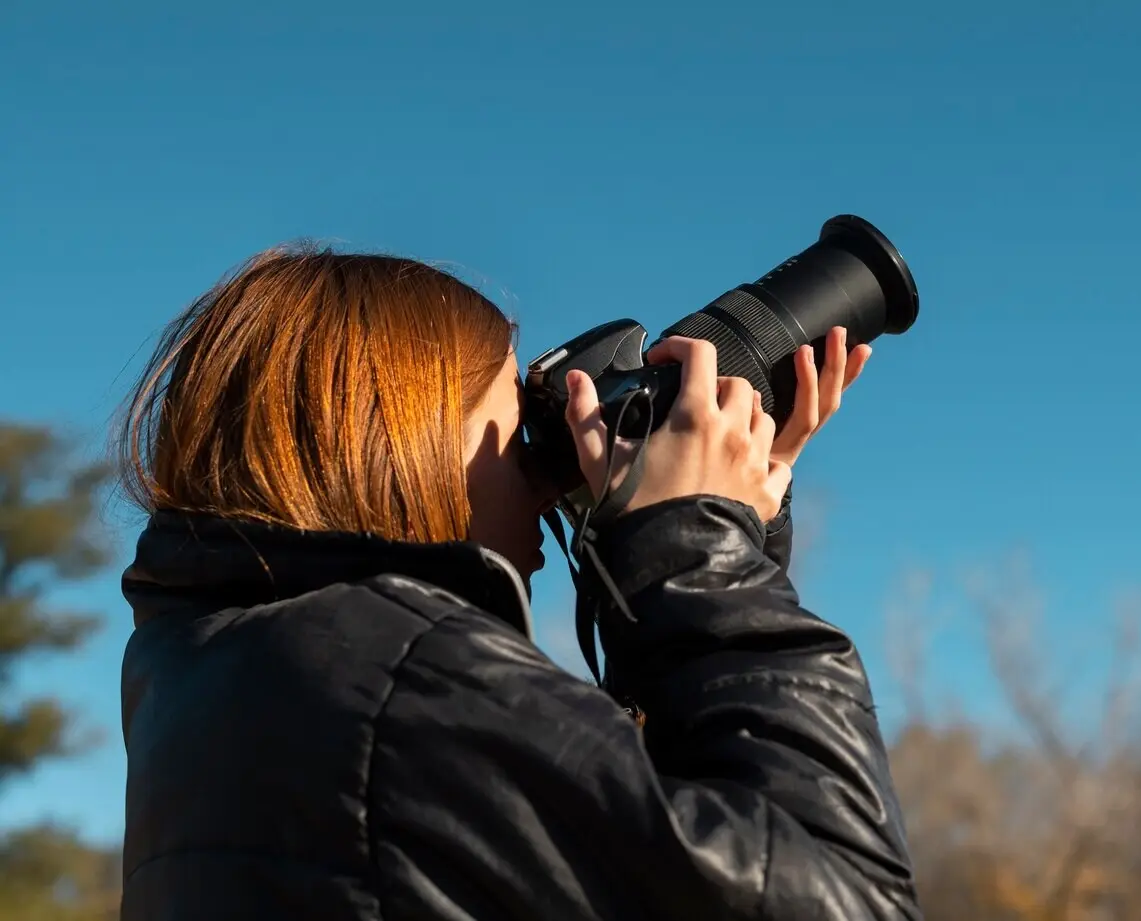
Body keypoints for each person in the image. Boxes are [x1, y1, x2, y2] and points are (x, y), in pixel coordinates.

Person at [115, 246, 922, 920]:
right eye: (519, 425)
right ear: (399, 437)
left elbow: (671, 856)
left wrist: (719, 555)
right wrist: (696, 548)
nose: (546, 479)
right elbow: (847, 895)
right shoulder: (400, 678)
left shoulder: (231, 673)